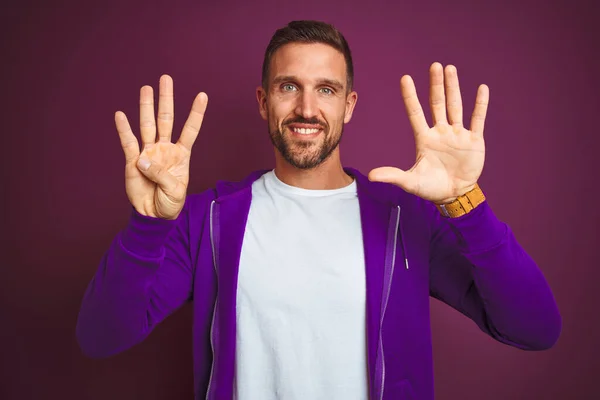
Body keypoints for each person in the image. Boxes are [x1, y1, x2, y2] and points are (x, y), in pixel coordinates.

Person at [76, 20, 561, 400]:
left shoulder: (404, 219)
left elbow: (534, 328)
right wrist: (148, 225)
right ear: (264, 102)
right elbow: (100, 336)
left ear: (349, 105)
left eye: (326, 90)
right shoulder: (209, 219)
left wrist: (465, 204)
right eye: (289, 87)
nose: (307, 108)